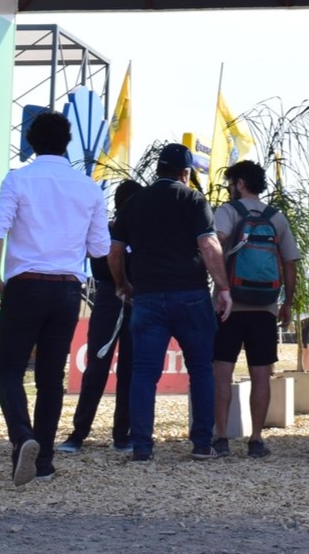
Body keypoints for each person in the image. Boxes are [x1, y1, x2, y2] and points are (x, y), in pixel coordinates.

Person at [0, 110, 109, 485]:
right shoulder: (89, 187)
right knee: (51, 378)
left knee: (7, 369)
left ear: (31, 141)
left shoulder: (18, 179)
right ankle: (44, 461)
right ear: (67, 143)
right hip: (67, 289)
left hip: (25, 285)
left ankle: (22, 437)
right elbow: (100, 246)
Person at [107, 142, 232, 462]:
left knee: (144, 373)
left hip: (147, 297)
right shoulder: (193, 199)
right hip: (190, 294)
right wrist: (223, 287)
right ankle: (202, 444)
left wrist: (123, 284)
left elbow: (116, 251)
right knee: (201, 370)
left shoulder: (134, 203)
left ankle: (142, 446)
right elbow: (208, 245)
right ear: (185, 172)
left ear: (158, 169)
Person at [211, 159, 299, 459]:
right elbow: (290, 263)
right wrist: (286, 303)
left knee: (222, 371)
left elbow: (216, 242)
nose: (229, 189)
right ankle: (256, 440)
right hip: (266, 306)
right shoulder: (277, 218)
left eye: (231, 183)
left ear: (240, 183)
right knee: (261, 374)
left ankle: (221, 438)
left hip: (228, 306)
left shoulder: (227, 212)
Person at [58, 179, 140, 454]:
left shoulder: (141, 234)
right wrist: (123, 276)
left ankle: (122, 435)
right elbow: (100, 267)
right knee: (97, 366)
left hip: (133, 302)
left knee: (129, 368)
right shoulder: (107, 231)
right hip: (109, 299)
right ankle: (79, 433)